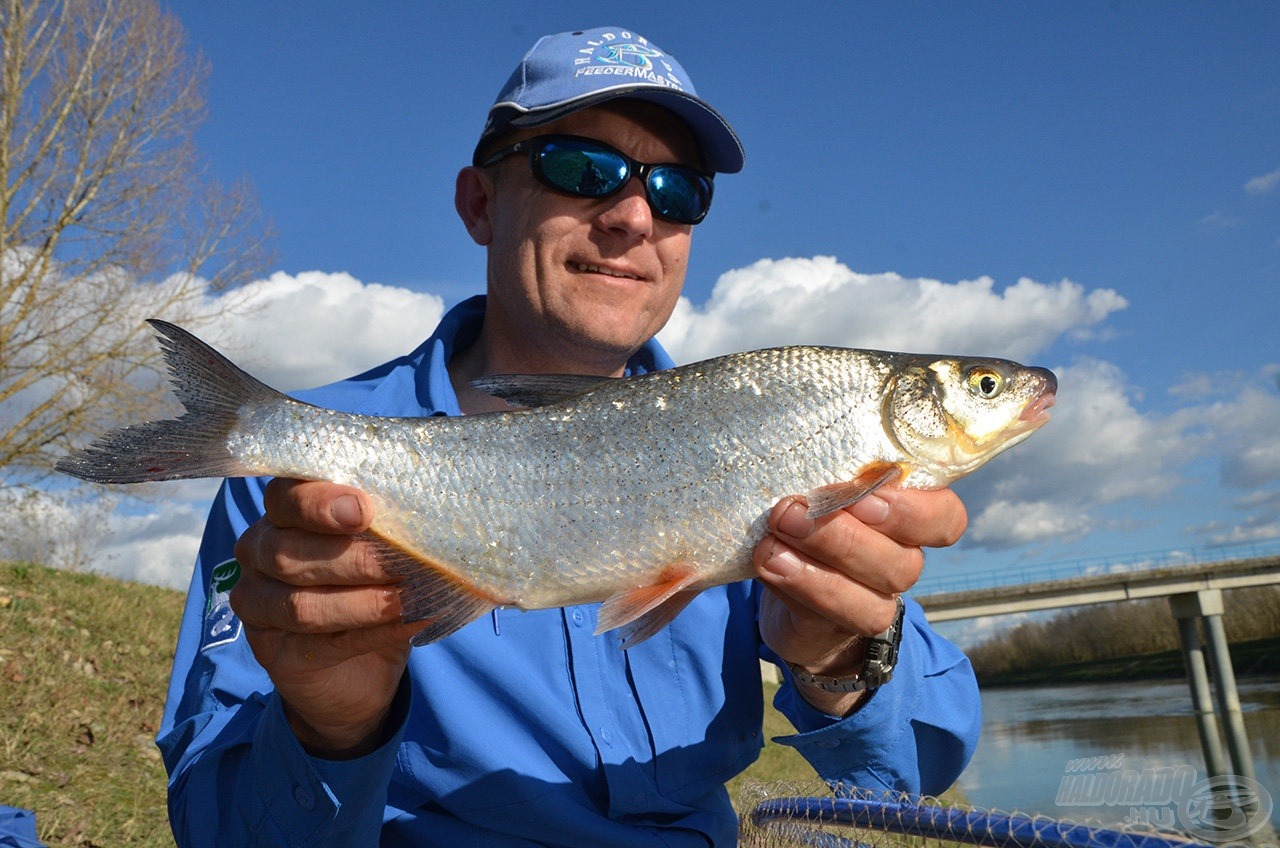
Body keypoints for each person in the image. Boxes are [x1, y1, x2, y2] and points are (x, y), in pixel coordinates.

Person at [158, 26, 981, 847]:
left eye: (676, 191)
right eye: (581, 168)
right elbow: (210, 826)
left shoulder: (759, 432)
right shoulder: (301, 471)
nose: (631, 215)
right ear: (480, 203)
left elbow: (922, 759)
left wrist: (838, 660)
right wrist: (329, 729)